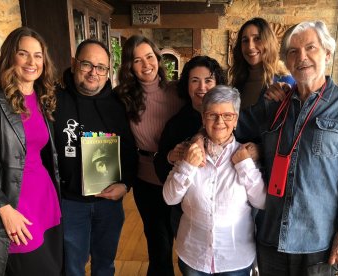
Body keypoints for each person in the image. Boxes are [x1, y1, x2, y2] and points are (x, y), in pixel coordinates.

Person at [237, 21, 338, 275]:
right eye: (293, 51)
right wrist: (201, 135)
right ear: (287, 61)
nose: (301, 57)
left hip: (319, 242)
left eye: (310, 47)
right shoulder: (273, 104)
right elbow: (231, 127)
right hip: (271, 236)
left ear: (327, 54)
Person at [53, 39, 137, 276]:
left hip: (108, 204)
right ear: (73, 63)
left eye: (101, 67)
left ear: (108, 71)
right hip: (69, 203)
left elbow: (130, 150)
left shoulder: (120, 104)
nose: (94, 73)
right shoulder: (53, 101)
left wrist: (126, 184)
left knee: (105, 265)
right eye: (87, 64)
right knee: (72, 267)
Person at [163, 85, 266, 275]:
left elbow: (262, 201)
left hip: (235, 258)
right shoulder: (190, 151)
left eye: (227, 115)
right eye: (212, 115)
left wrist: (245, 167)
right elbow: (170, 198)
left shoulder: (245, 155)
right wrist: (187, 166)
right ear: (203, 118)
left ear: (235, 120)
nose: (220, 121)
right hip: (193, 255)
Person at [115, 35, 184, 276]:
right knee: (159, 246)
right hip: (147, 182)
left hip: (181, 178)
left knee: (186, 244)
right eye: (137, 60)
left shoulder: (178, 92)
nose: (146, 64)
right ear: (129, 66)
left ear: (158, 58)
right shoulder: (123, 98)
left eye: (150, 57)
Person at [0, 27, 62, 275]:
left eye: (37, 55)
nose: (31, 62)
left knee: (54, 269)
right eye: (23, 54)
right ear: (10, 56)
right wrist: (4, 208)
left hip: (46, 202)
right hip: (16, 210)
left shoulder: (42, 97)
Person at [154, 55, 226, 184]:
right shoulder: (175, 124)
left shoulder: (228, 118)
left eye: (208, 80)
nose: (202, 87)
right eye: (195, 80)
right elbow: (160, 164)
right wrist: (170, 157)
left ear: (217, 84)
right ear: (186, 85)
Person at [230, 17, 295, 109]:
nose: (250, 46)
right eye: (245, 40)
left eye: (257, 38)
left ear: (269, 42)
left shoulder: (285, 82)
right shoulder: (238, 81)